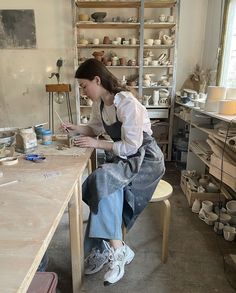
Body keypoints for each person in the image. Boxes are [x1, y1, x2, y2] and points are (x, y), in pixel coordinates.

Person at [62, 58, 165, 286]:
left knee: (104, 181)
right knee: (102, 183)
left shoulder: (127, 103)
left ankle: (112, 249)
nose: (83, 90)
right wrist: (76, 127)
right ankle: (111, 248)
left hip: (145, 159)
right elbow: (96, 129)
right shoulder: (100, 103)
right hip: (125, 155)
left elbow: (132, 146)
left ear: (97, 80)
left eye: (84, 85)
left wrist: (96, 144)